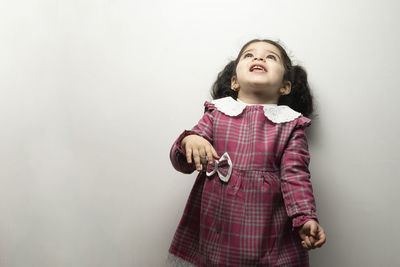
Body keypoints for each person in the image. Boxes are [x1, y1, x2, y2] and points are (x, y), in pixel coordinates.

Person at [166, 39, 326, 267]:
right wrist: (191, 140)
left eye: (271, 57)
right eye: (249, 55)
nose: (259, 58)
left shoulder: (290, 125)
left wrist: (305, 218)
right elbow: (181, 161)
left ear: (285, 87)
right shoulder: (216, 114)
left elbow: (296, 177)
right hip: (217, 224)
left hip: (267, 227)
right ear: (234, 81)